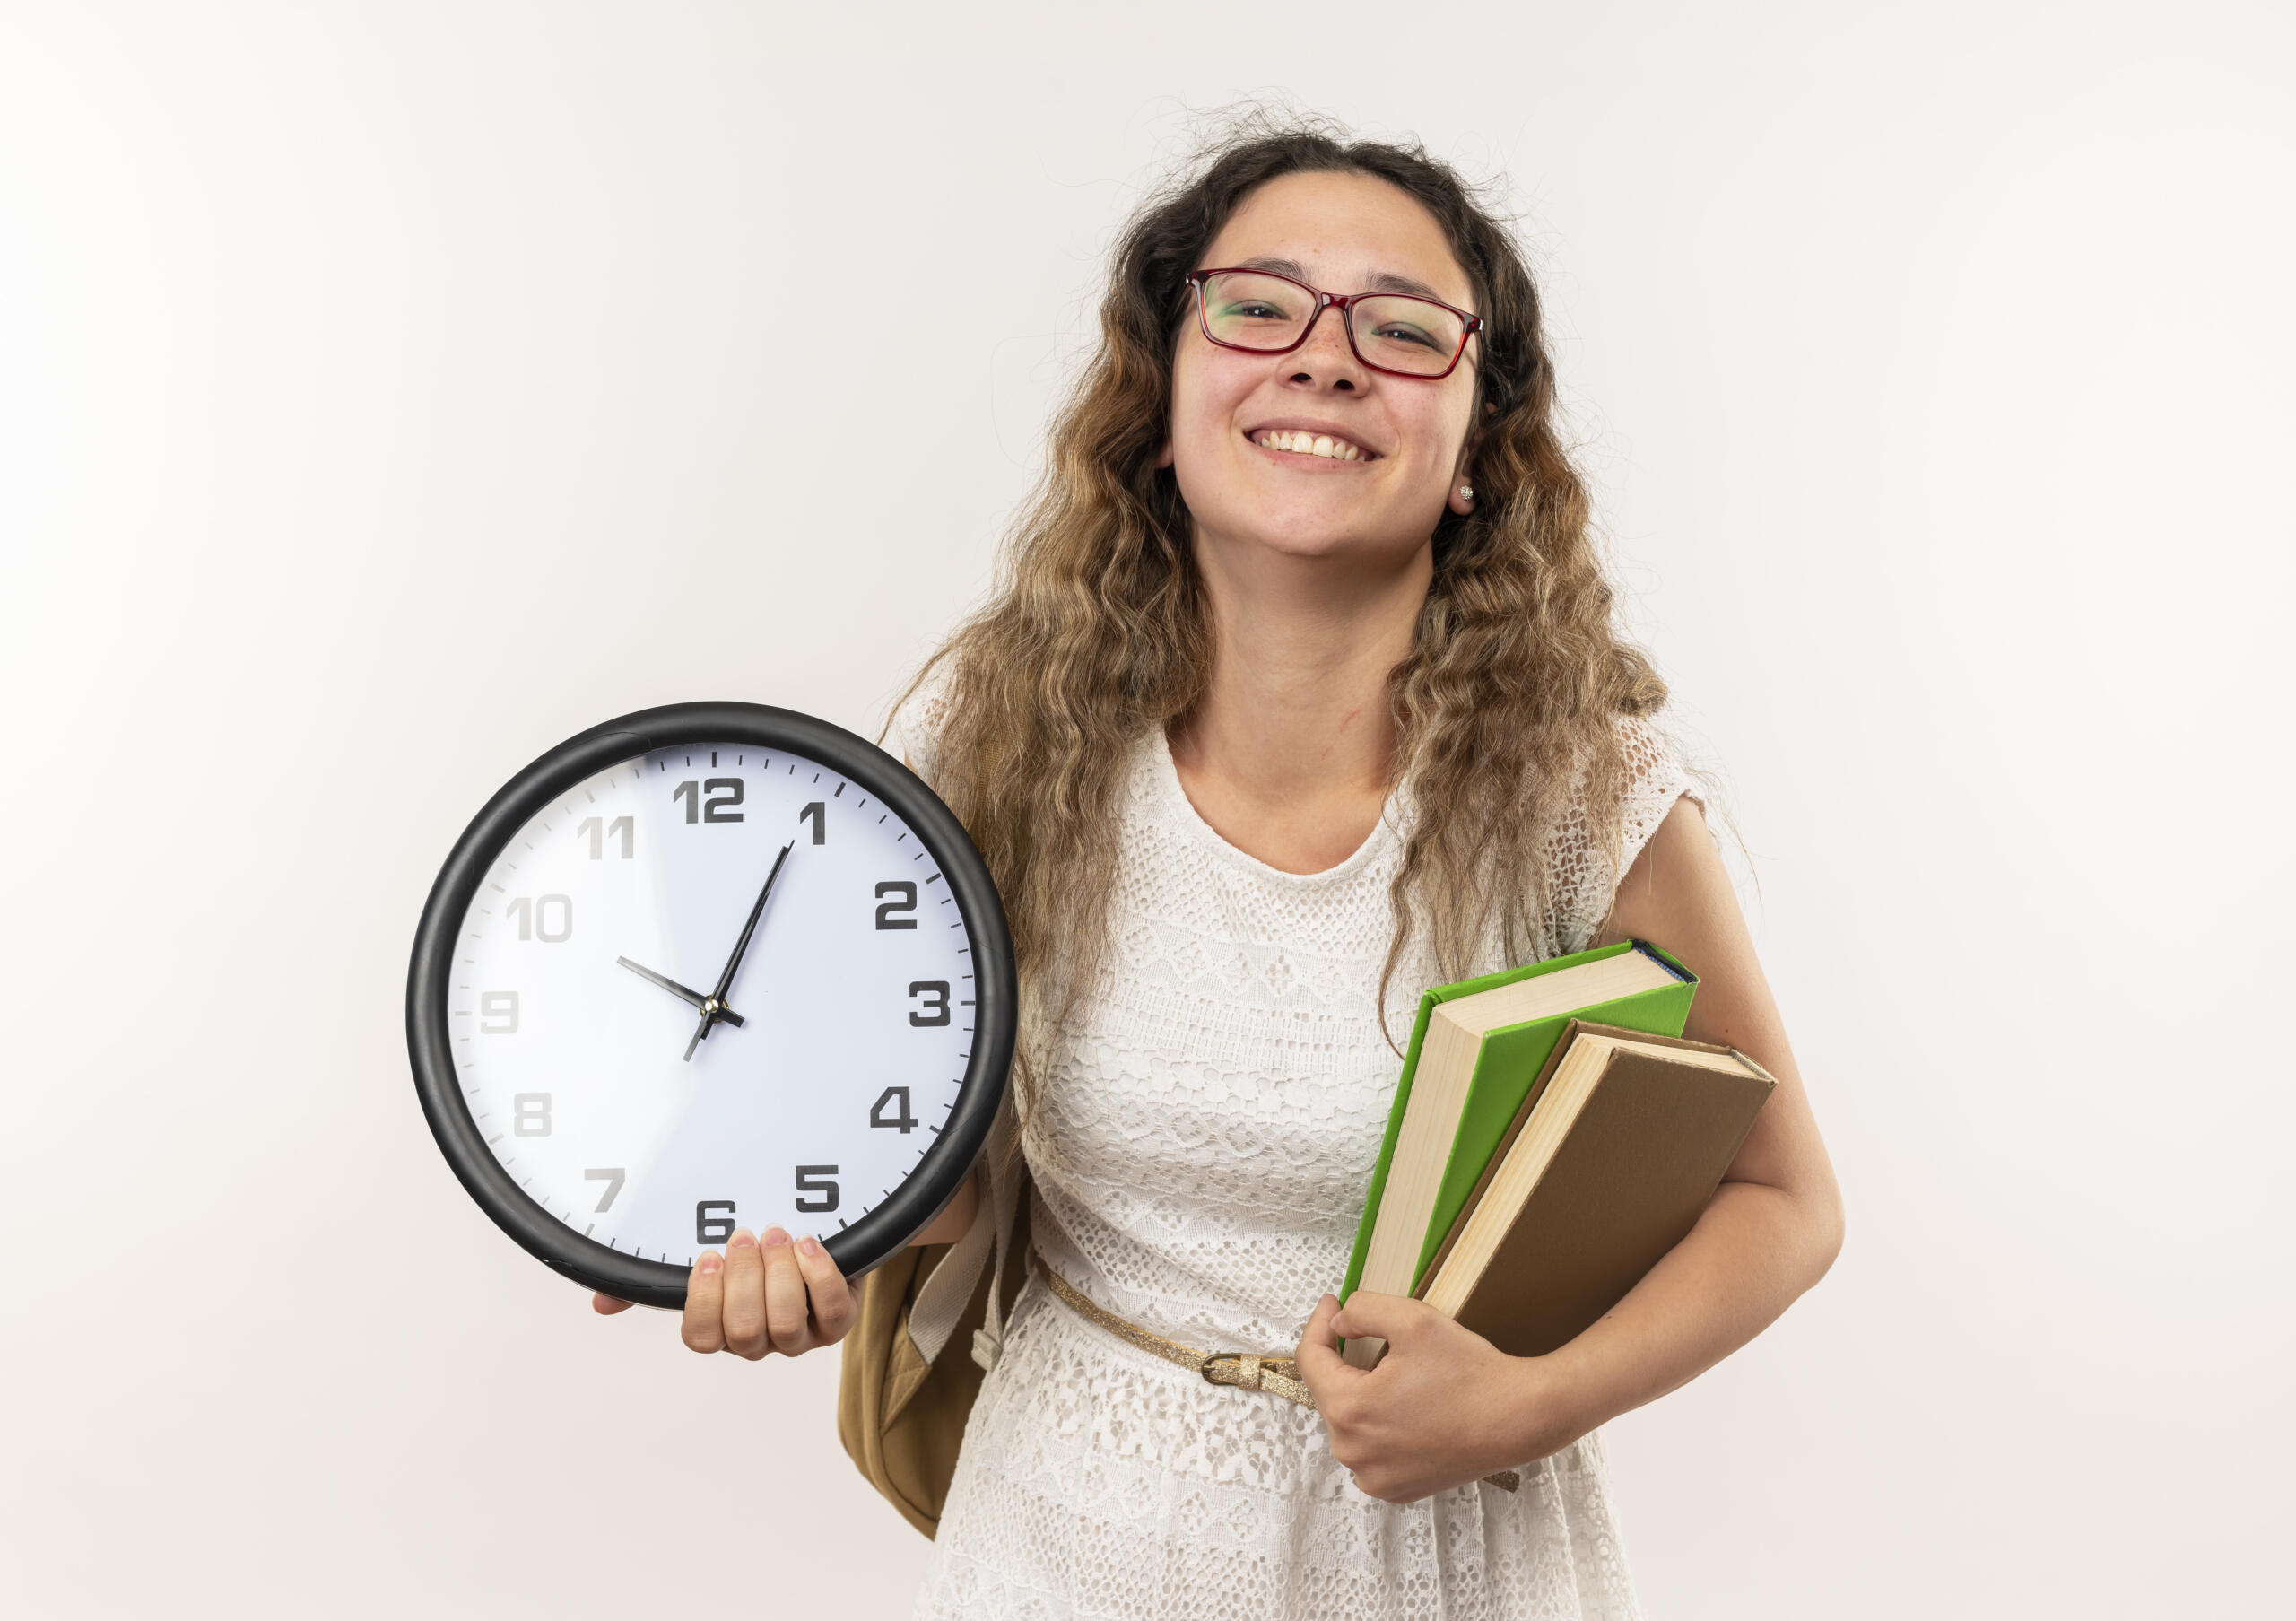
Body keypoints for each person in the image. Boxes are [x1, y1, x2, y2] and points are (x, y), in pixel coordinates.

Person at [596, 118, 1843, 1620]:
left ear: (1474, 458)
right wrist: (785, 1236)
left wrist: (1528, 1405)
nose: (1324, 360)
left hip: (1447, 1567)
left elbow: (1782, 1197)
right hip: (1066, 1539)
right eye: (1259, 306)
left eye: (1401, 329)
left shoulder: (1582, 788)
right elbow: (936, 1159)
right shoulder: (994, 732)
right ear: (1164, 403)